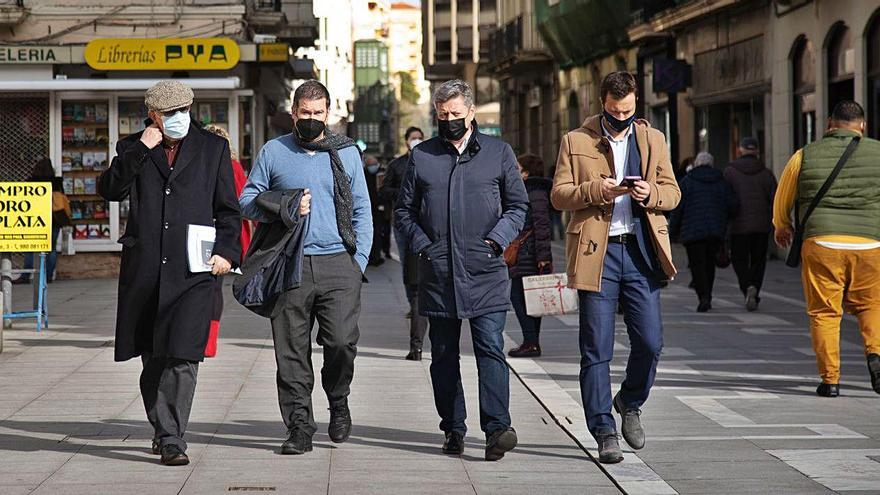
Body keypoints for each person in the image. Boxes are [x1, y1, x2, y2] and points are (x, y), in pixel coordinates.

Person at [98, 80, 241, 466]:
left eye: (183, 110)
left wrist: (228, 252)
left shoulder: (213, 149)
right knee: (153, 357)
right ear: (153, 116)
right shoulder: (132, 147)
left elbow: (228, 209)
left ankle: (173, 436)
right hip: (146, 268)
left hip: (193, 269)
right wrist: (141, 150)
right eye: (169, 113)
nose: (178, 118)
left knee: (184, 354)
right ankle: (163, 427)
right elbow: (109, 189)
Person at [550, 71, 680, 464]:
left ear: (635, 103)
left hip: (640, 251)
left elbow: (673, 193)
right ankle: (603, 429)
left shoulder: (653, 139)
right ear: (602, 103)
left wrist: (651, 193)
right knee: (596, 348)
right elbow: (558, 195)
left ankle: (630, 401)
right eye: (613, 110)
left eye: (628, 110)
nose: (621, 116)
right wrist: (597, 190)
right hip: (597, 253)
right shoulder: (576, 141)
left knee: (651, 342)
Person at [396, 79, 528, 461]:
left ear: (471, 112)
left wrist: (496, 240)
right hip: (439, 274)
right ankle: (453, 427)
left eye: (456, 114)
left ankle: (497, 429)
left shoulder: (498, 153)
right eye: (443, 115)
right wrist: (424, 246)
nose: (450, 120)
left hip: (485, 271)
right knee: (443, 355)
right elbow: (404, 212)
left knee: (490, 349)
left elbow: (517, 207)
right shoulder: (423, 156)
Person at [239, 79, 372, 455]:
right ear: (293, 113)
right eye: (305, 113)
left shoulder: (346, 153)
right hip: (289, 262)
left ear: (328, 114)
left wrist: (357, 260)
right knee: (291, 351)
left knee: (342, 342)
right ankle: (299, 427)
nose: (311, 119)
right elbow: (247, 200)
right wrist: (285, 205)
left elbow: (362, 208)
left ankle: (339, 399)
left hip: (338, 263)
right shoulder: (273, 151)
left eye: (318, 113)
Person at [774, 100, 880, 398]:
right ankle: (876, 354)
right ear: (863, 125)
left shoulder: (805, 155)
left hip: (822, 242)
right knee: (871, 305)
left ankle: (830, 380)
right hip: (870, 242)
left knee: (825, 312)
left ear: (829, 124)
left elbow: (784, 194)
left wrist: (781, 225)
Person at [202, 124, 254, 356]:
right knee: (214, 287)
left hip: (209, 233)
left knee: (209, 286)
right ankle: (209, 341)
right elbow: (245, 199)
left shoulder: (203, 164)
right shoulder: (234, 166)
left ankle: (206, 340)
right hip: (222, 233)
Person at [380, 126, 429, 359]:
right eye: (413, 139)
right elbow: (384, 189)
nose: (417, 141)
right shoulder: (397, 165)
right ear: (406, 141)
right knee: (409, 271)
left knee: (424, 277)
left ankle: (419, 307)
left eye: (420, 138)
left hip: (428, 228)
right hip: (403, 227)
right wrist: (402, 192)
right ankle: (414, 303)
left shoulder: (432, 160)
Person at [670, 152, 738, 312]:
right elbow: (732, 205)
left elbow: (677, 208)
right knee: (709, 265)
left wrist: (672, 231)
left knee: (696, 265)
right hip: (715, 230)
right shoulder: (721, 181)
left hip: (692, 231)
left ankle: (703, 296)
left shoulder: (687, 181)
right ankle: (708, 294)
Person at [507, 153, 553, 358]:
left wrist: (543, 257)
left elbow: (542, 227)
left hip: (530, 255)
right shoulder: (529, 190)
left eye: (517, 168)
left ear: (525, 172)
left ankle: (531, 342)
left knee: (519, 298)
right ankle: (532, 341)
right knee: (532, 299)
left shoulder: (534, 192)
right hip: (528, 253)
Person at [724, 137, 776, 312]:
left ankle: (747, 287)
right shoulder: (766, 173)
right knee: (758, 260)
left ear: (740, 150)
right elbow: (775, 200)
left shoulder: (730, 172)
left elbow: (725, 199)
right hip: (761, 225)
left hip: (738, 225)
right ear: (757, 152)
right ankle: (754, 286)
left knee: (739, 259)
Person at [19, 158, 68, 284]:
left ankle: (26, 275)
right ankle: (48, 276)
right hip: (54, 219)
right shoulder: (56, 183)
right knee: (51, 248)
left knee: (29, 248)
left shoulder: (31, 183)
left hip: (35, 220)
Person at [364, 154, 386, 266]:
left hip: (378, 209)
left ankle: (376, 256)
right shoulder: (363, 174)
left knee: (378, 233)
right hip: (367, 209)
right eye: (370, 165)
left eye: (374, 164)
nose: (373, 166)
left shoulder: (382, 174)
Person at [547, 165, 566, 241]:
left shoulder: (549, 181)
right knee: (559, 221)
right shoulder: (558, 181)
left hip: (551, 203)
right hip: (558, 204)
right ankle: (561, 236)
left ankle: (552, 237)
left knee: (552, 221)